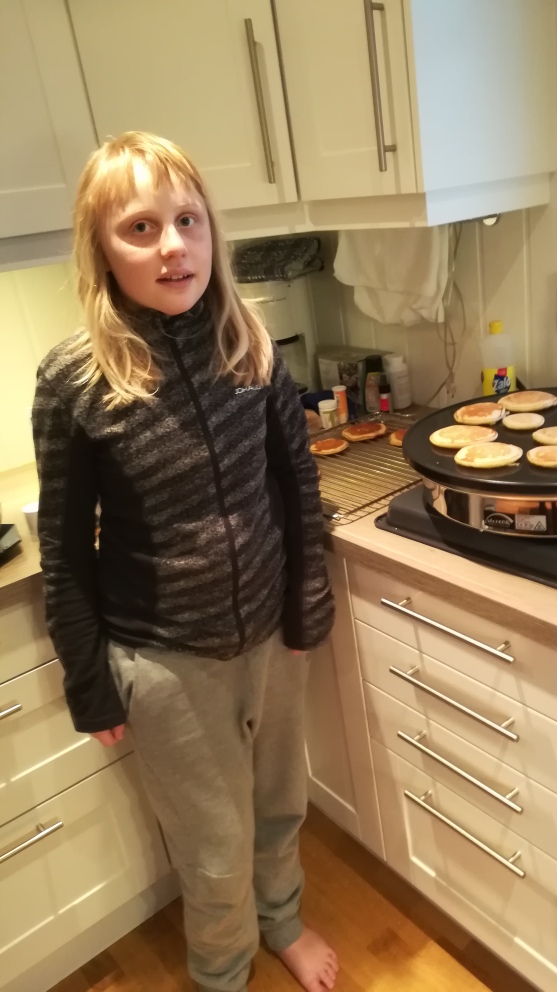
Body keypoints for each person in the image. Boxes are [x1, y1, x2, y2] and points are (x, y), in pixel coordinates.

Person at [32, 131, 338, 992]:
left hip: (271, 639)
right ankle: (222, 972)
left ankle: (283, 921)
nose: (173, 245)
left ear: (211, 231)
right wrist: (89, 682)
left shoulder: (252, 346)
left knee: (280, 805)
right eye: (140, 227)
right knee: (212, 847)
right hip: (165, 664)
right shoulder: (73, 381)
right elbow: (64, 550)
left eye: (188, 220)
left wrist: (307, 604)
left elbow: (297, 485)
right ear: (102, 249)